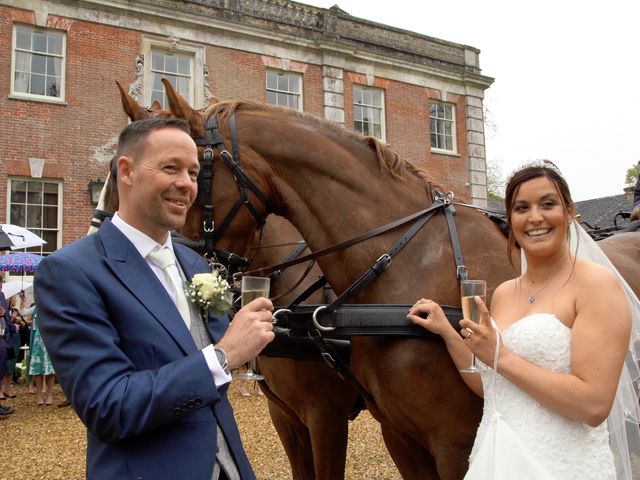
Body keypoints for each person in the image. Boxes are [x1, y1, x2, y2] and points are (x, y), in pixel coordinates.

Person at [35, 117, 275, 480]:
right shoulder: (70, 271)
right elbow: (109, 407)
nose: (186, 184)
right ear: (126, 170)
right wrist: (224, 355)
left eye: (193, 173)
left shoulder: (194, 264)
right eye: (171, 168)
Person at [407, 160, 640, 479]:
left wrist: (500, 356)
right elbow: (492, 386)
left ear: (569, 212)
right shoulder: (503, 292)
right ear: (511, 220)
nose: (535, 217)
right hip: (496, 460)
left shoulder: (597, 286)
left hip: (561, 466)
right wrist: (447, 332)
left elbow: (594, 406)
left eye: (547, 204)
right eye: (521, 208)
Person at [28, 308, 56, 405]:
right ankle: (39, 394)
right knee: (37, 368)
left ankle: (49, 394)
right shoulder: (36, 309)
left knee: (51, 368)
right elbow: (24, 312)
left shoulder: (53, 306)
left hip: (51, 339)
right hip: (38, 340)